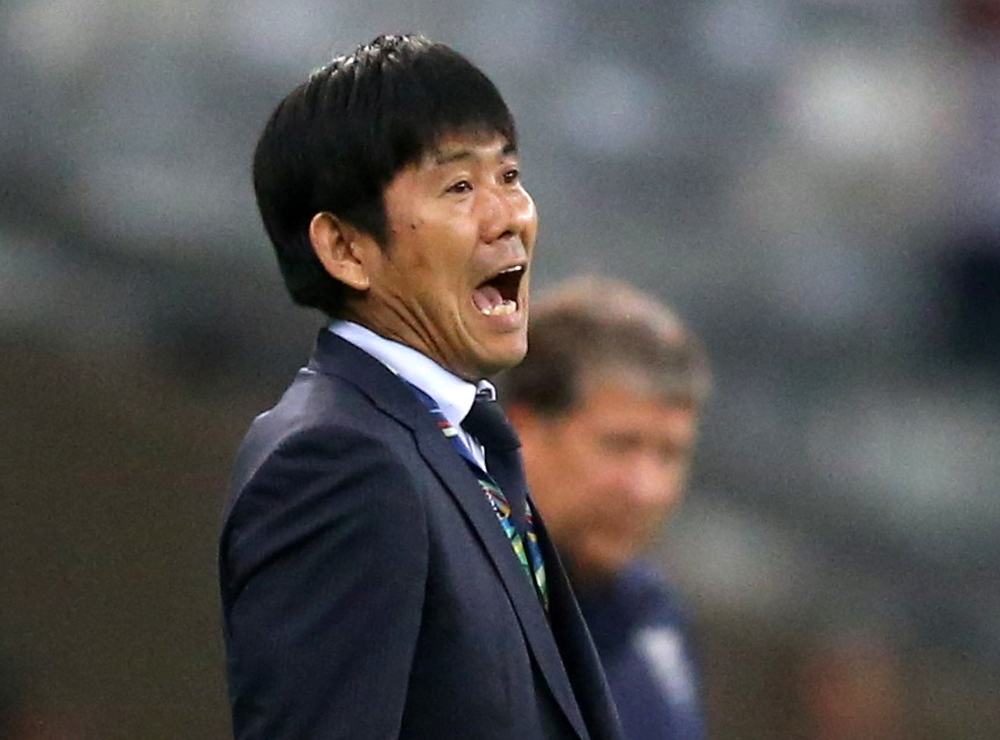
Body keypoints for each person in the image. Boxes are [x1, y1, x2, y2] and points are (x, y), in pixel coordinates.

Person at [218, 35, 622, 740]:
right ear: (345, 248)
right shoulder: (335, 461)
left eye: (510, 174)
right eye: (460, 186)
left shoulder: (465, 449)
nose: (509, 217)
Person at [501, 277, 711, 740]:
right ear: (523, 430)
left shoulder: (652, 617)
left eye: (670, 454)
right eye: (620, 445)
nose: (645, 489)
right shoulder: (442, 603)